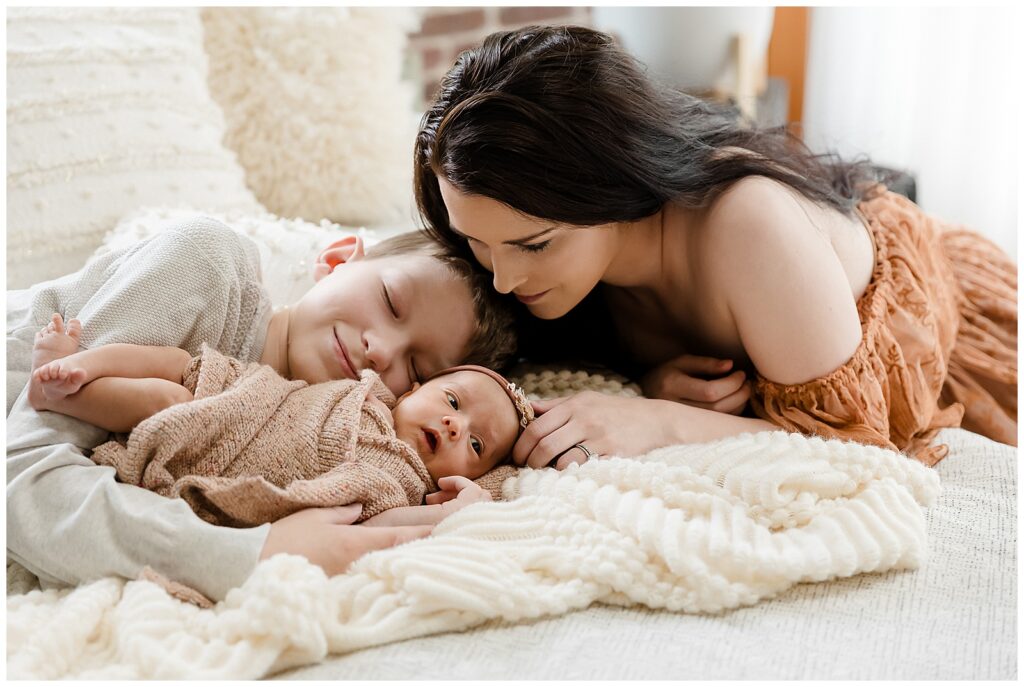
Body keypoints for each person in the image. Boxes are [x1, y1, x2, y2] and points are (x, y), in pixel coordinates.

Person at [412, 24, 1017, 471]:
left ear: (608, 183)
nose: (503, 279)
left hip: (968, 333)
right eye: (479, 244)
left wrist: (659, 420)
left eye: (534, 245)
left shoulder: (747, 223)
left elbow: (855, 449)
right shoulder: (569, 270)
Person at [6, 218, 517, 602]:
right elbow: (22, 483)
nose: (382, 351)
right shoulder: (209, 267)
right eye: (391, 301)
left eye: (418, 369)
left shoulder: (306, 444)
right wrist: (256, 554)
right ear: (339, 258)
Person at [28, 313, 532, 529]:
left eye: (476, 444)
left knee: (163, 400)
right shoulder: (370, 392)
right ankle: (81, 364)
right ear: (414, 388)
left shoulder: (399, 478)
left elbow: (379, 526)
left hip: (230, 445)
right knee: (177, 364)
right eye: (452, 402)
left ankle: (66, 398)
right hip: (251, 394)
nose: (453, 427)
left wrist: (454, 510)